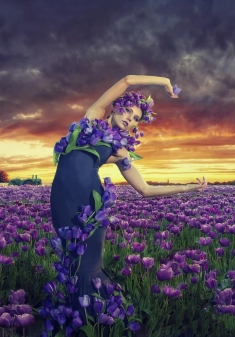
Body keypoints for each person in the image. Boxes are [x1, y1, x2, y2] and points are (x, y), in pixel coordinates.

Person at [49, 75, 207, 335]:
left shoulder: (120, 151)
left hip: (90, 206)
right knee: (70, 264)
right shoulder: (90, 120)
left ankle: (98, 326)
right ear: (115, 107)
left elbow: (145, 189)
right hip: (61, 202)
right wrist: (164, 81)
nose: (130, 120)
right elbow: (127, 80)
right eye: (127, 112)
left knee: (87, 267)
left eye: (136, 119)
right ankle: (79, 321)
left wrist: (189, 186)